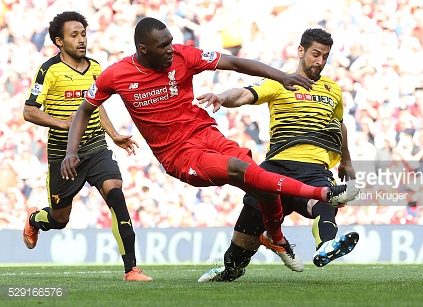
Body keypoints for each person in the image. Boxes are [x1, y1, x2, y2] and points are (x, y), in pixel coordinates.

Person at [60, 17, 360, 279]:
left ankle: (277, 237)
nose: (171, 50)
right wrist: (71, 152)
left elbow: (235, 62)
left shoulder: (183, 55)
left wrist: (281, 76)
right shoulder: (116, 75)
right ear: (144, 49)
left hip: (205, 133)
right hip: (179, 154)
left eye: (171, 43)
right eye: (163, 46)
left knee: (256, 175)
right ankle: (322, 194)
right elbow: (84, 110)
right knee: (241, 171)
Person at [197, 28, 359, 282]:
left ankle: (326, 246)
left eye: (325, 57)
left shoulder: (333, 90)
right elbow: (243, 94)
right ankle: (231, 269)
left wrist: (346, 161)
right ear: (301, 51)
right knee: (241, 245)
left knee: (326, 202)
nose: (319, 61)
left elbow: (338, 125)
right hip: (276, 168)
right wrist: (221, 97)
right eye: (315, 54)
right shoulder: (281, 81)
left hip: (315, 167)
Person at [22, 11, 152, 281]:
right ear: (59, 41)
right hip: (62, 154)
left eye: (83, 34)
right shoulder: (49, 71)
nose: (81, 40)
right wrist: (63, 123)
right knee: (59, 219)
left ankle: (132, 269)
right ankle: (35, 220)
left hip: (95, 147)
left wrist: (114, 134)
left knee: (116, 193)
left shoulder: (95, 68)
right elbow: (29, 111)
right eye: (74, 35)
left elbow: (96, 104)